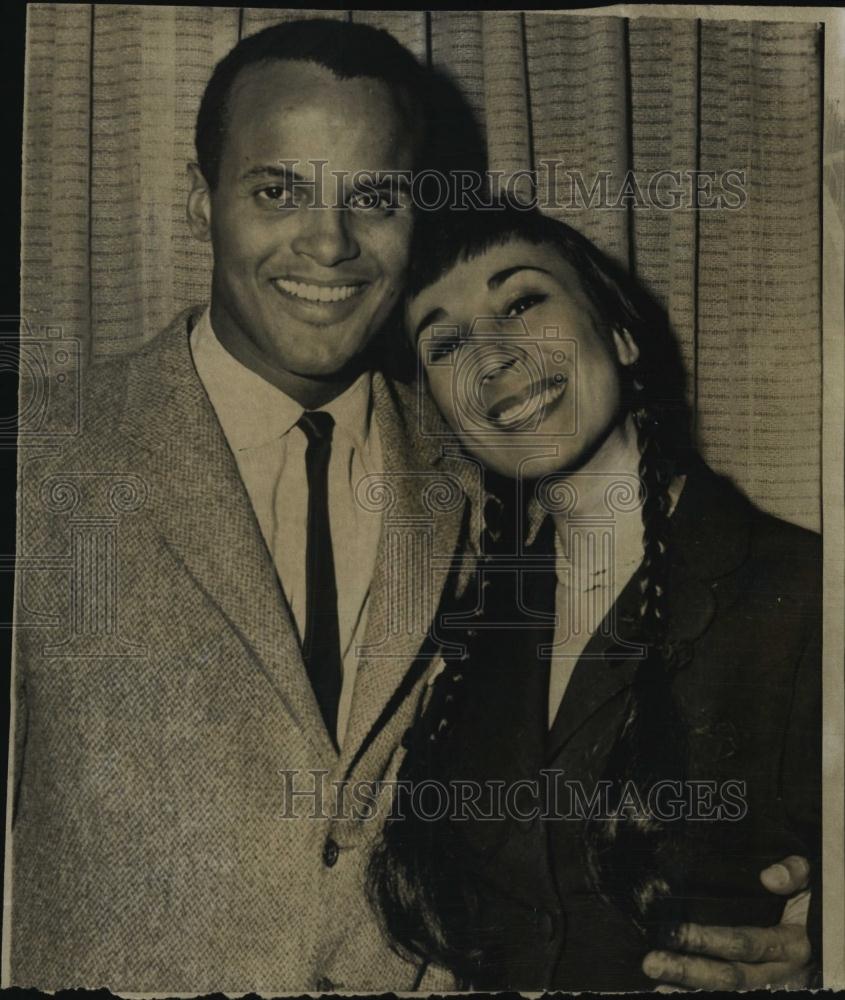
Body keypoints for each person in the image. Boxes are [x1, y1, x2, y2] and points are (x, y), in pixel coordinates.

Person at [6, 19, 484, 992]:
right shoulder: (41, 453)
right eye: (278, 191)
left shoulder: (486, 471)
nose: (328, 242)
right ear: (203, 204)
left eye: (374, 198)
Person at [369, 203, 822, 991]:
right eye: (445, 343)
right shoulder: (464, 626)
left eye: (520, 303)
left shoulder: (806, 592)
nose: (491, 358)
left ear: (619, 332)